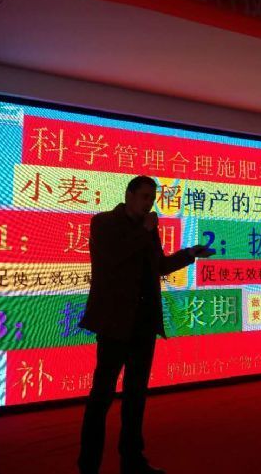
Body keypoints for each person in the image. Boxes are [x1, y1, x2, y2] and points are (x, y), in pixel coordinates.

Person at [78, 175, 213, 474]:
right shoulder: (103, 223)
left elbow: (158, 266)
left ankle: (133, 462)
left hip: (143, 324)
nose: (149, 203)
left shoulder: (147, 229)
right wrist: (145, 230)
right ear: (128, 195)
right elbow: (114, 257)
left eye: (152, 198)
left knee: (136, 396)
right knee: (101, 397)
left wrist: (189, 254)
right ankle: (88, 466)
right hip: (114, 324)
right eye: (144, 197)